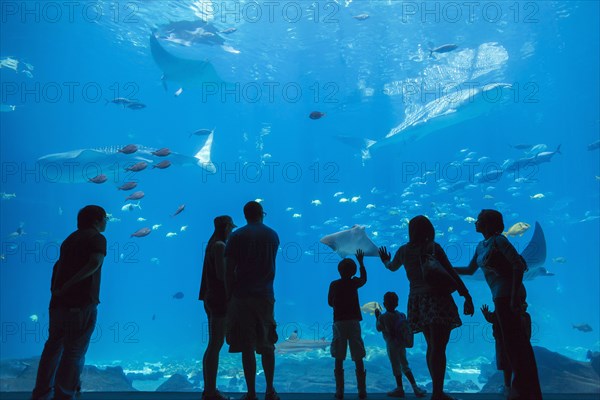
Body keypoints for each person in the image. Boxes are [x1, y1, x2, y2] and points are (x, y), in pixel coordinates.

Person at [378, 215, 474, 400]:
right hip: (437, 299)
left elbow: (391, 267)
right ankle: (438, 393)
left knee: (432, 346)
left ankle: (437, 391)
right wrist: (465, 295)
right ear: (429, 230)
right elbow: (451, 271)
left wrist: (384, 260)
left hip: (417, 302)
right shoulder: (433, 247)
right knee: (439, 347)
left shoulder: (403, 251)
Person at [455, 209, 542, 400]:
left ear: (487, 223)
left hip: (509, 295)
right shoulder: (480, 246)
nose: (475, 223)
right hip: (498, 297)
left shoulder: (500, 240)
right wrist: (447, 267)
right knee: (508, 343)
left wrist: (513, 298)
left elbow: (518, 265)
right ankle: (518, 388)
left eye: (478, 220)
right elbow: (470, 270)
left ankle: (523, 389)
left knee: (516, 342)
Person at [31, 205, 108, 400]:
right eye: (104, 218)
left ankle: (41, 394)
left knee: (52, 349)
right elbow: (95, 262)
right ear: (97, 220)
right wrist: (69, 286)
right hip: (80, 303)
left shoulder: (69, 239)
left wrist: (57, 291)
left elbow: (57, 267)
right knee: (74, 352)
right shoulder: (97, 238)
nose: (106, 222)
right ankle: (64, 396)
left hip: (58, 304)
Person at [224, 201, 280, 400]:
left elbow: (228, 270)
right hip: (265, 296)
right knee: (267, 345)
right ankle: (270, 390)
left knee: (247, 346)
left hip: (242, 297)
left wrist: (229, 295)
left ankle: (251, 393)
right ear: (261, 214)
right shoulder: (273, 235)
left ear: (245, 215)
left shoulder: (236, 236)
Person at [199, 215, 237, 400]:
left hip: (210, 297)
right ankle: (211, 391)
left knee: (214, 344)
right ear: (227, 226)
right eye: (231, 228)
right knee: (215, 344)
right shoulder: (220, 246)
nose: (232, 231)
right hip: (219, 298)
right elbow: (222, 276)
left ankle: (208, 389)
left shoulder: (211, 244)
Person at [328, 249, 368, 400]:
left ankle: (340, 391)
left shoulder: (334, 284)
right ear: (353, 271)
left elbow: (329, 302)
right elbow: (364, 279)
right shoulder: (354, 283)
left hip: (339, 322)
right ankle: (362, 391)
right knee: (358, 356)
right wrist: (361, 262)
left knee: (339, 356)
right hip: (353, 322)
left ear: (339, 271)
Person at [375, 291, 427, 398]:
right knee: (405, 366)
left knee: (396, 366)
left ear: (384, 304)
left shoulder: (383, 317)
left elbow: (379, 328)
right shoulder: (401, 315)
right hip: (401, 344)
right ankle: (415, 388)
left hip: (391, 345)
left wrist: (377, 317)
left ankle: (400, 389)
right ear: (397, 304)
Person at [481, 302, 532, 397]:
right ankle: (511, 388)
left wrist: (487, 314)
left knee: (508, 367)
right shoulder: (524, 316)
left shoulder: (503, 310)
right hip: (515, 343)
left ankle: (508, 388)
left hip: (506, 343)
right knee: (513, 366)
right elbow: (527, 333)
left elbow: (493, 318)